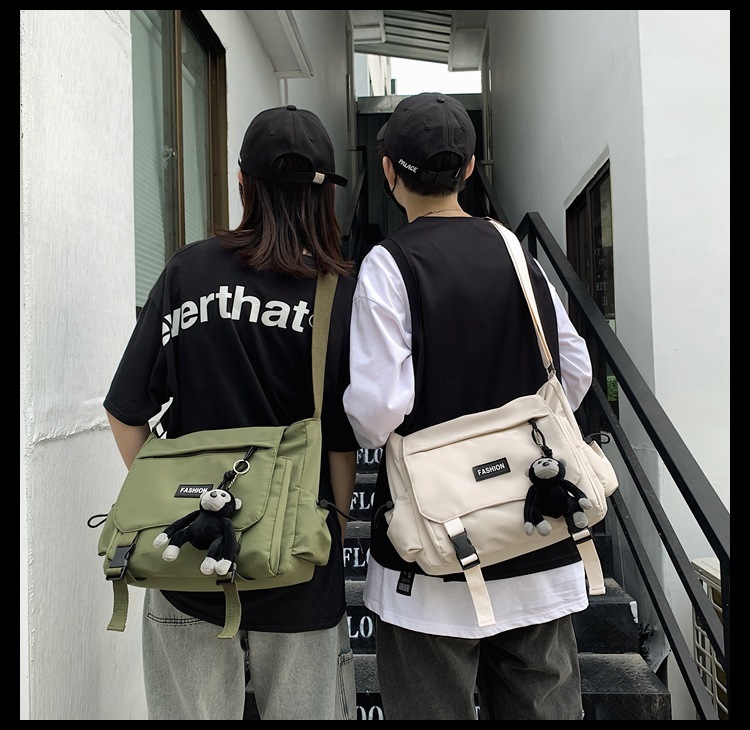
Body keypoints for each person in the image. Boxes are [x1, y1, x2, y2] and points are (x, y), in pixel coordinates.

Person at [343, 92, 594, 721]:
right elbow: (574, 372)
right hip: (535, 533)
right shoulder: (515, 251)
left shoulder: (389, 265)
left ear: (388, 171)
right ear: (471, 167)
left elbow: (376, 411)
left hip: (433, 555)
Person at [104, 105, 359, 721]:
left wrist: (171, 498)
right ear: (325, 196)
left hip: (187, 561)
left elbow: (126, 411)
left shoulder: (186, 272)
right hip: (297, 569)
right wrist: (335, 517)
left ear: (242, 183)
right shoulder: (336, 291)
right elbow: (340, 440)